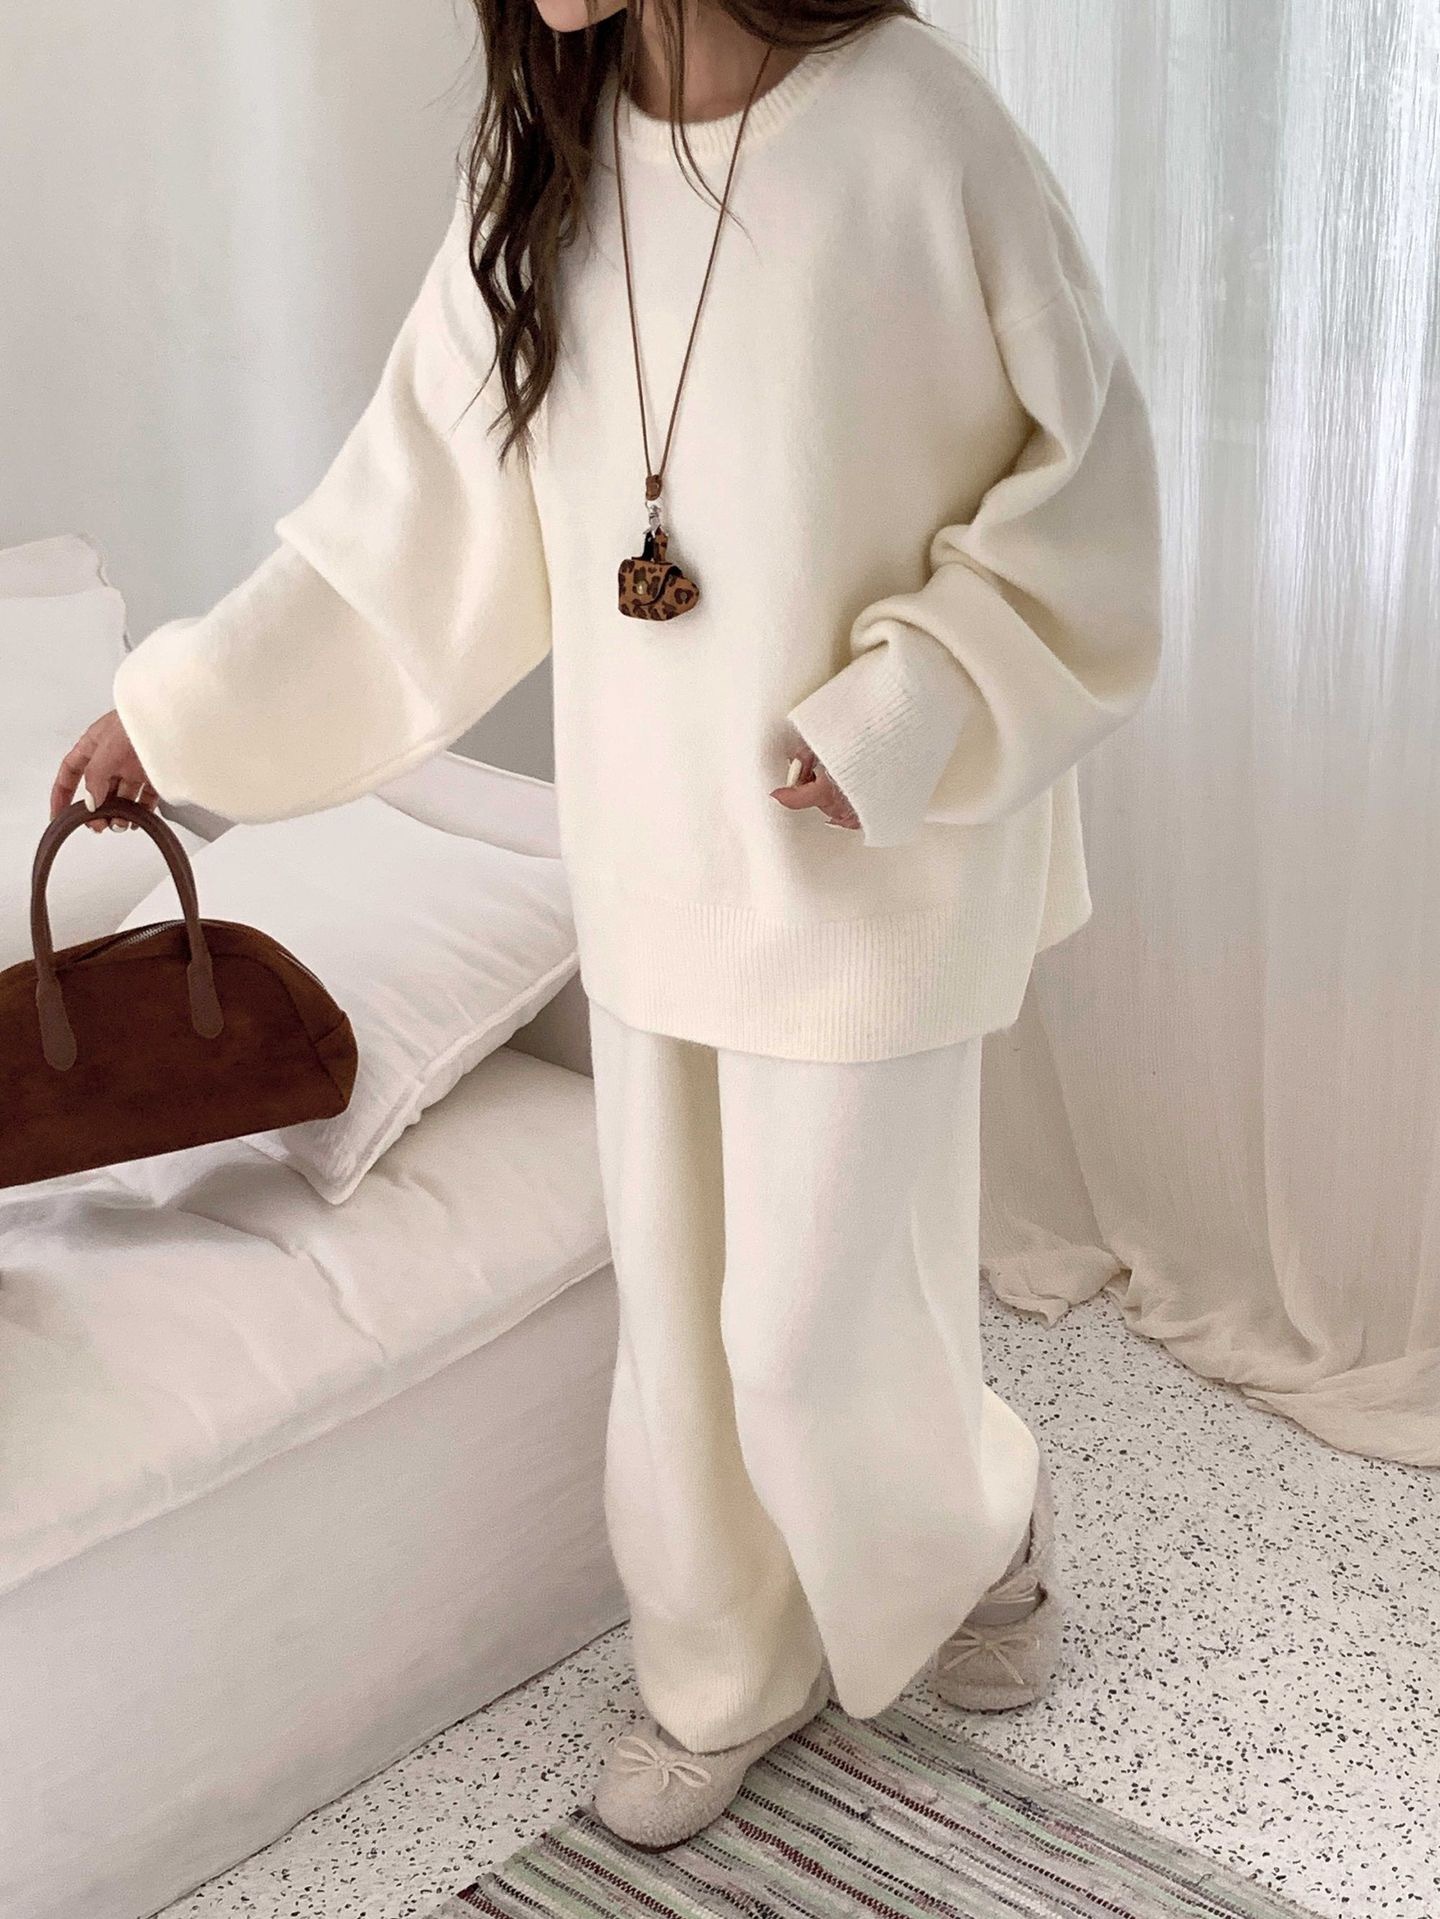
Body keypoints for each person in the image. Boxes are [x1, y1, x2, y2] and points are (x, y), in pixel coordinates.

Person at [53, 0, 1162, 1850]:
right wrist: (172, 718)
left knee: (806, 1337)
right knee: (684, 1324)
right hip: (654, 854)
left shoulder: (918, 125)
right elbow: (403, 527)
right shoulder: (546, 165)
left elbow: (1092, 493)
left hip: (873, 860)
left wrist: (907, 704)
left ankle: (979, 1527)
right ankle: (718, 1670)